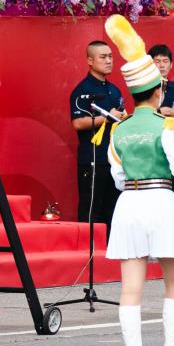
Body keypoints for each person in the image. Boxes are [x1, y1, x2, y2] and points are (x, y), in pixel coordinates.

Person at [103, 15, 174, 346]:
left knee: (130, 288)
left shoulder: (118, 129)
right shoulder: (168, 124)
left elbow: (116, 176)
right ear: (160, 91)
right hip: (162, 201)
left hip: (128, 204)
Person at [70, 41, 125, 228]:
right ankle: (88, 254)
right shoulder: (82, 91)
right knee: (91, 210)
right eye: (103, 57)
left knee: (114, 211)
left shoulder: (115, 90)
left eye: (110, 56)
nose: (109, 61)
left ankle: (110, 256)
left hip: (114, 161)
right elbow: (77, 123)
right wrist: (108, 117)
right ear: (90, 61)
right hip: (92, 159)